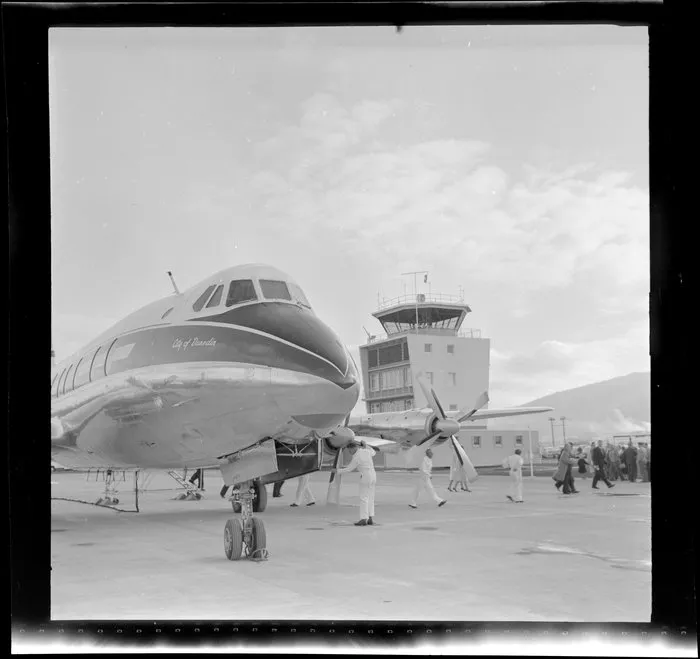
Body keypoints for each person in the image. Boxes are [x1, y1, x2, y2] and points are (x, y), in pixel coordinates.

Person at [333, 440, 377, 526]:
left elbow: (349, 469)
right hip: (373, 476)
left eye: (349, 450)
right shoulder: (366, 451)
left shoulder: (357, 457)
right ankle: (370, 517)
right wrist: (366, 445)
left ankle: (364, 519)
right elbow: (374, 452)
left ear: (353, 448)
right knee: (371, 497)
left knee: (363, 498)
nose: (349, 452)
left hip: (365, 476)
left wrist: (337, 471)